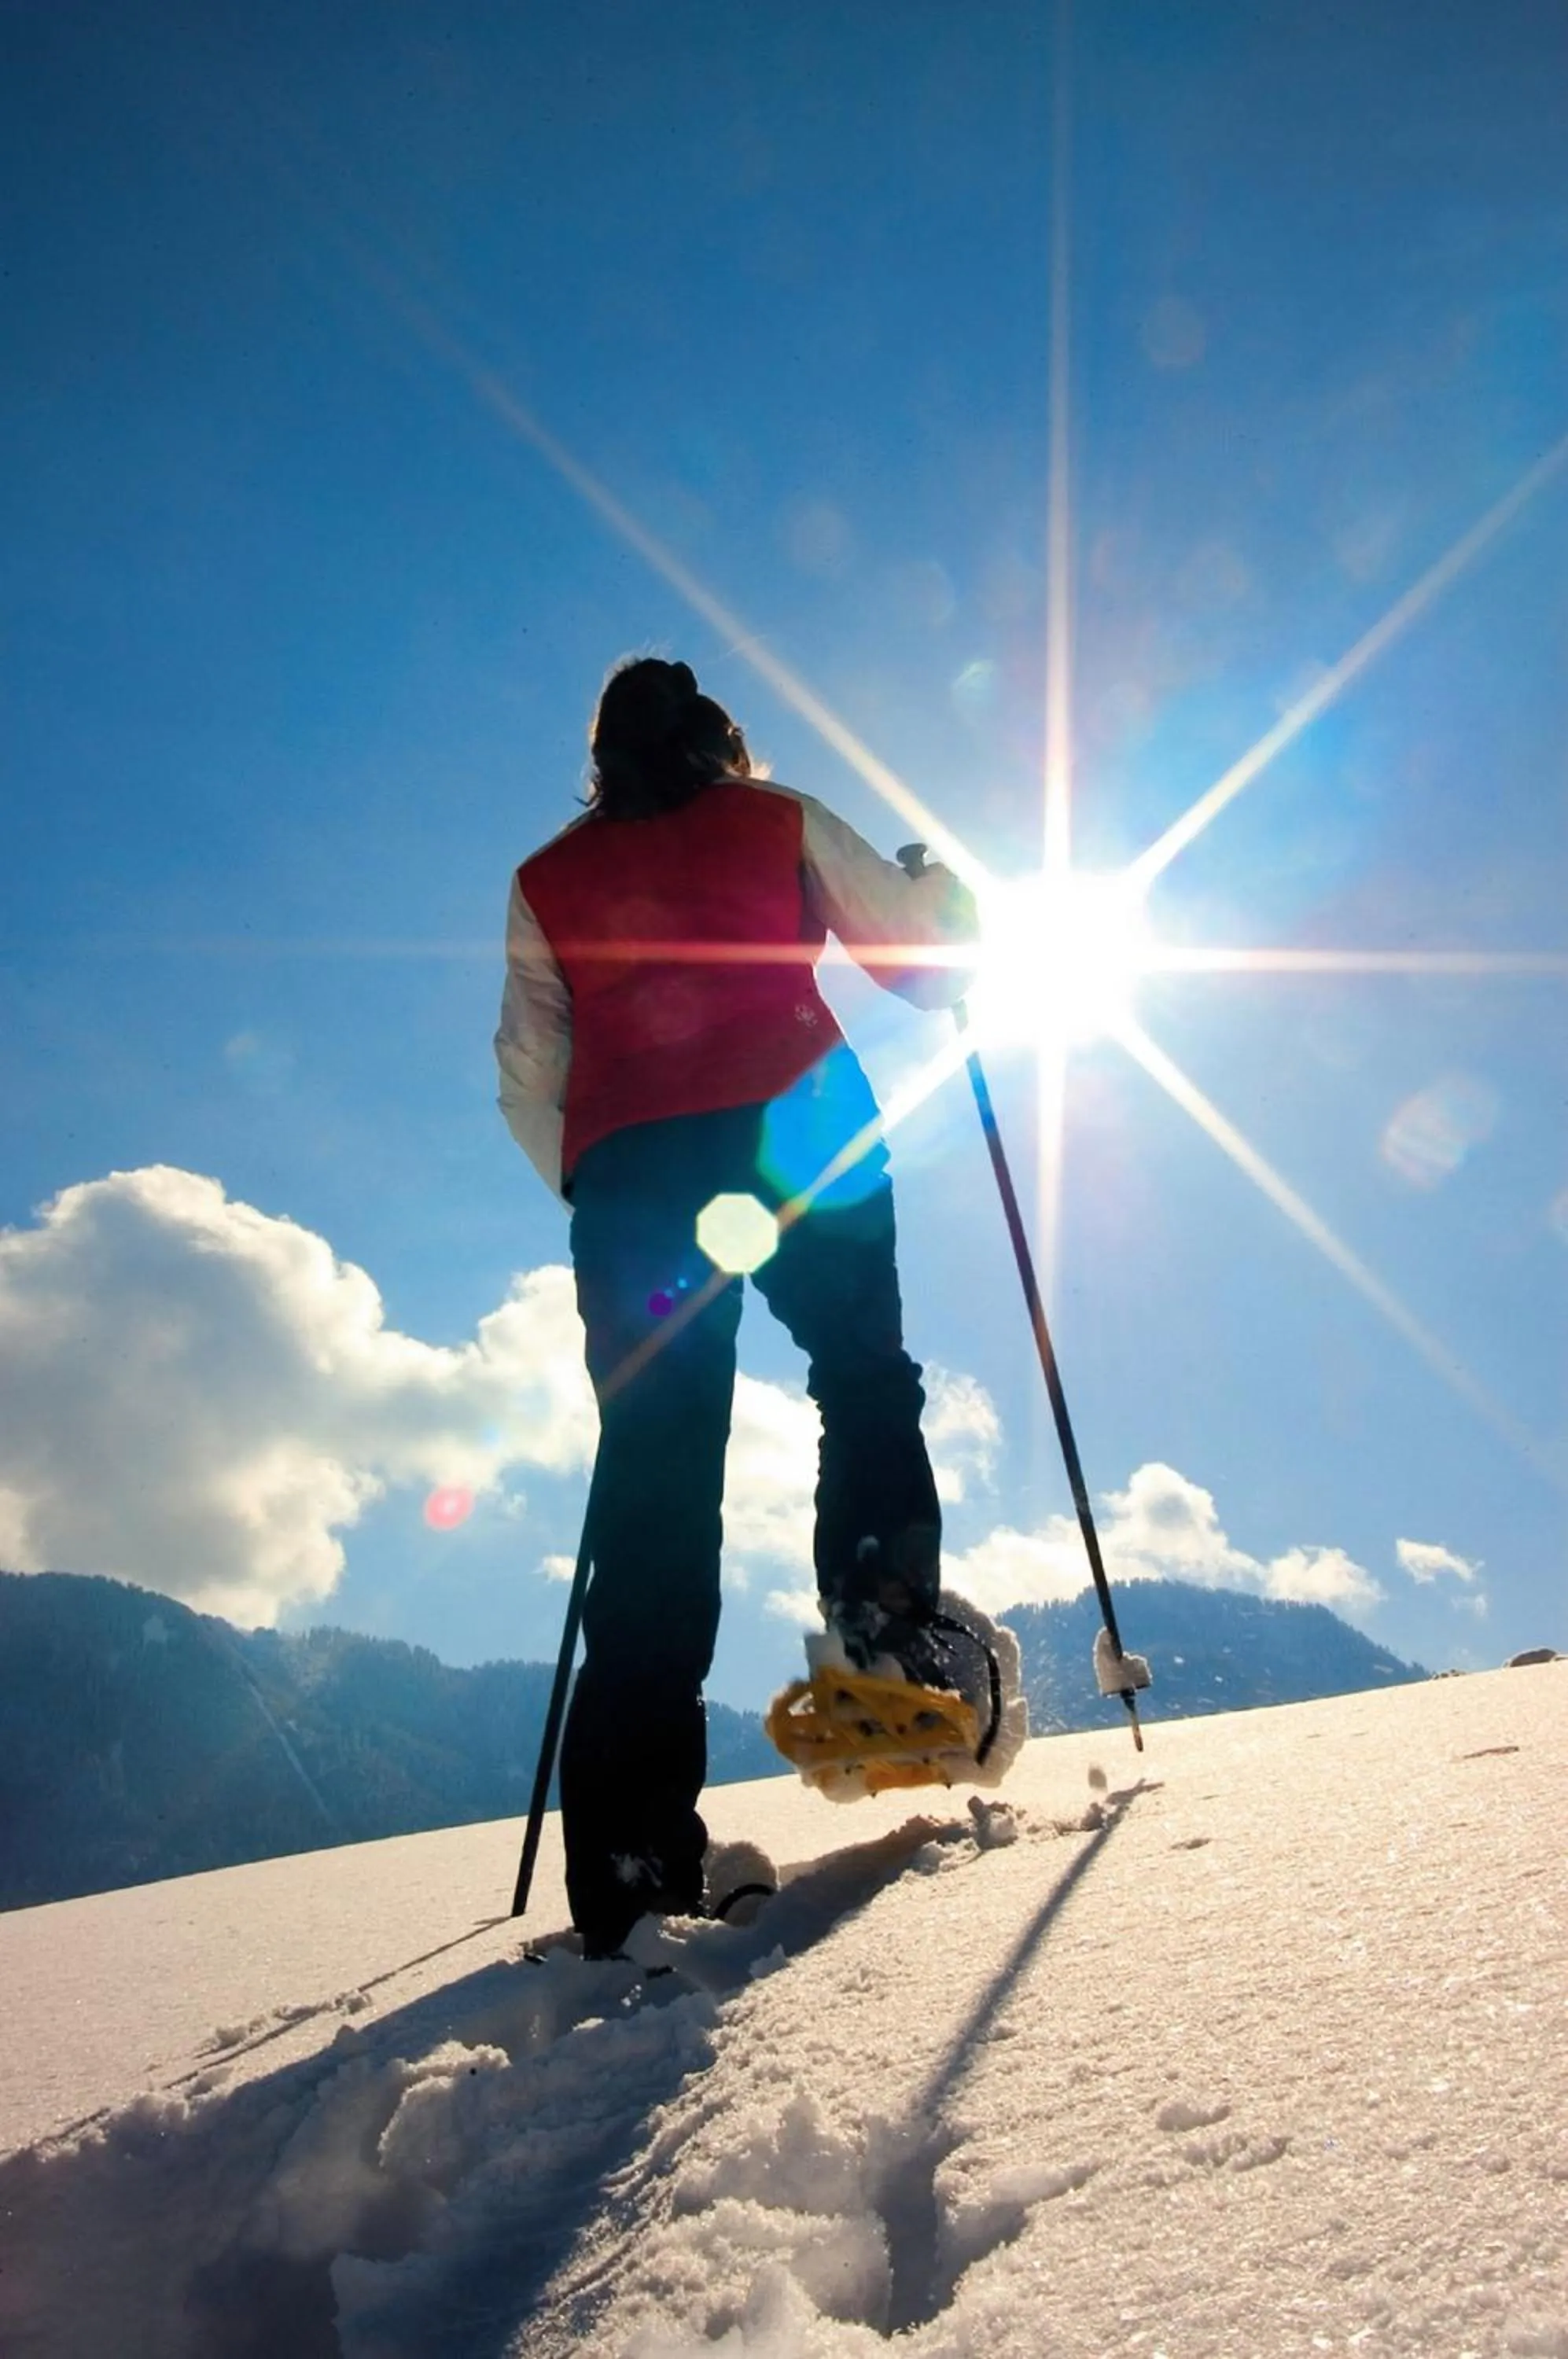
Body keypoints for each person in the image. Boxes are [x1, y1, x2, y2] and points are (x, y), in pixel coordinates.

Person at [495, 654, 978, 1957]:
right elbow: (917, 957)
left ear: (601, 757)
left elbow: (527, 1071)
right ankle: (885, 1649)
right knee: (861, 1376)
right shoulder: (773, 819)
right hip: (801, 1134)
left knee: (653, 1482)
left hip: (638, 1186)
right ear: (719, 737)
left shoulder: (548, 878)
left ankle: (632, 1858)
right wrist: (948, 898)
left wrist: (596, 1179)